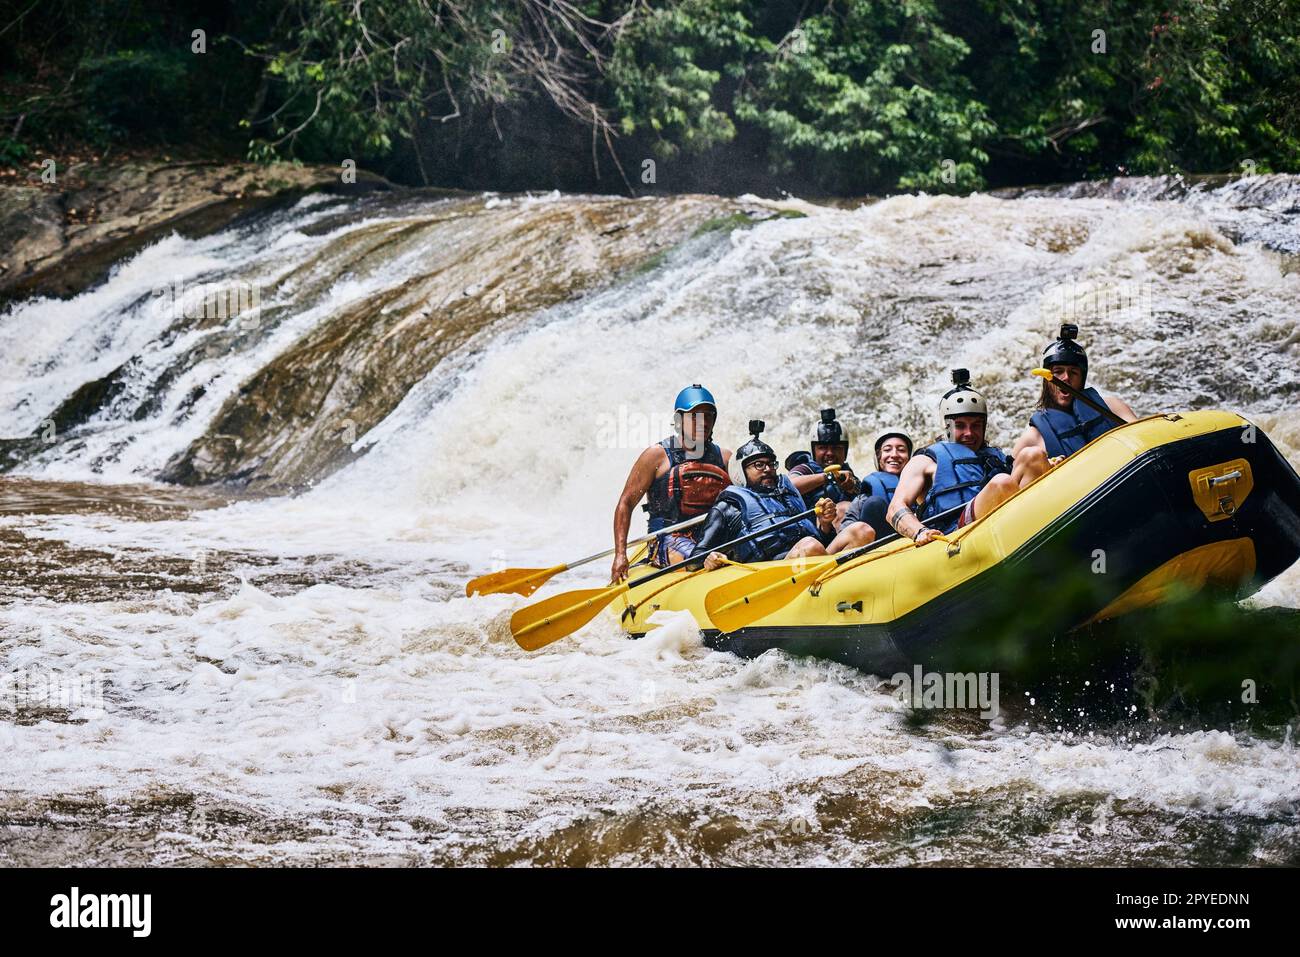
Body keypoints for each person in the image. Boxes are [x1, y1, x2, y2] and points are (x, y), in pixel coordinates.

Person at [886, 370, 1049, 546]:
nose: (969, 433)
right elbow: (895, 508)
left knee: (1034, 455)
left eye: (976, 426)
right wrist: (919, 532)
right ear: (947, 426)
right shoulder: (925, 460)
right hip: (956, 534)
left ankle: (1044, 536)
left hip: (1006, 523)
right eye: (961, 426)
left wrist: (1048, 466)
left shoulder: (995, 456)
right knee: (1001, 483)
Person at [611, 384, 732, 580]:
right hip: (669, 538)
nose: (703, 422)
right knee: (700, 558)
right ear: (678, 421)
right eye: (694, 416)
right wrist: (620, 555)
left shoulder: (724, 458)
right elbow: (625, 503)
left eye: (708, 415)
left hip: (712, 535)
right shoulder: (657, 456)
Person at [688, 421, 838, 570]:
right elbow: (693, 562)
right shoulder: (728, 507)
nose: (767, 469)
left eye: (771, 464)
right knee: (810, 546)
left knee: (859, 530)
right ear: (741, 472)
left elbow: (822, 542)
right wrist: (710, 558)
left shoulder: (787, 496)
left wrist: (825, 525)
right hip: (768, 574)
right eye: (759, 465)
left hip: (809, 560)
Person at [1013, 324, 1137, 465]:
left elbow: (1143, 439)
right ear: (1047, 380)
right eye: (1058, 371)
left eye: (1073, 372)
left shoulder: (1113, 407)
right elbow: (1014, 481)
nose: (1066, 378)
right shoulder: (1032, 438)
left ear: (1082, 379)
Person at [824, 428, 914, 553]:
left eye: (901, 450)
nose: (894, 454)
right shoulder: (863, 498)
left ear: (910, 457)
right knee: (874, 504)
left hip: (912, 547)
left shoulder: (921, 488)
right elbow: (847, 531)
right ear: (879, 456)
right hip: (875, 554)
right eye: (887, 450)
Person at [786, 409, 860, 512]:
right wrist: (830, 477)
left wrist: (852, 488)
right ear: (813, 450)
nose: (830, 453)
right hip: (812, 524)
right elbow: (787, 487)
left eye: (836, 448)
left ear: (845, 451)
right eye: (822, 448)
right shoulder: (805, 469)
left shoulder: (848, 474)